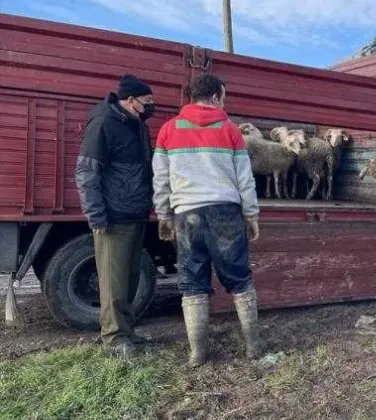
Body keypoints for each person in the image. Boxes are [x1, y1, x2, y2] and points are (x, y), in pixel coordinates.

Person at [152, 73, 261, 367]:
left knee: (192, 281)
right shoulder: (231, 131)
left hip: (186, 213)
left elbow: (161, 178)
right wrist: (251, 214)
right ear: (215, 97)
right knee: (239, 277)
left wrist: (163, 214)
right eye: (223, 96)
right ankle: (253, 346)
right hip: (225, 211)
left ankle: (197, 353)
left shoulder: (168, 130)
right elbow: (244, 178)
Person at [75, 74, 155, 358]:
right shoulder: (104, 124)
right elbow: (86, 172)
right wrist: (96, 215)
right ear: (131, 100)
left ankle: (127, 331)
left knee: (130, 279)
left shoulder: (137, 127)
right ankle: (114, 339)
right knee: (113, 281)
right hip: (113, 217)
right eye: (147, 101)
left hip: (135, 213)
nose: (151, 106)